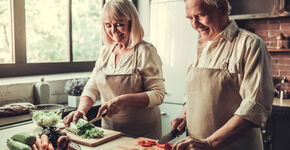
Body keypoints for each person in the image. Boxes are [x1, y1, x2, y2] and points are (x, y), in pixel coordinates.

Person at [171, 0, 274, 149]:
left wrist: (210, 143)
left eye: (200, 15)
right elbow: (196, 93)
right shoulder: (201, 46)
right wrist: (186, 114)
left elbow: (255, 107)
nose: (195, 25)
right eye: (190, 18)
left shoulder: (250, 45)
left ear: (223, 9)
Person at [63, 0, 165, 139]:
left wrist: (123, 100)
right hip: (110, 131)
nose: (113, 30)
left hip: (143, 133)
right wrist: (81, 110)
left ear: (132, 22)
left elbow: (158, 95)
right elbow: (91, 88)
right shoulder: (105, 52)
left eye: (119, 24)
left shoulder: (145, 51)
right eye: (108, 25)